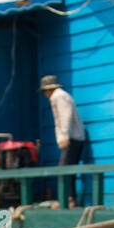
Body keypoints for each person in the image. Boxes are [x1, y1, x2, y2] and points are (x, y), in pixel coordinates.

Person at [40, 75, 86, 205]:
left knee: (64, 169)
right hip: (75, 137)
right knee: (69, 169)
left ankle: (67, 199)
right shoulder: (61, 96)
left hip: (71, 137)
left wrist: (64, 136)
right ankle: (70, 198)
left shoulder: (58, 97)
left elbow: (65, 117)